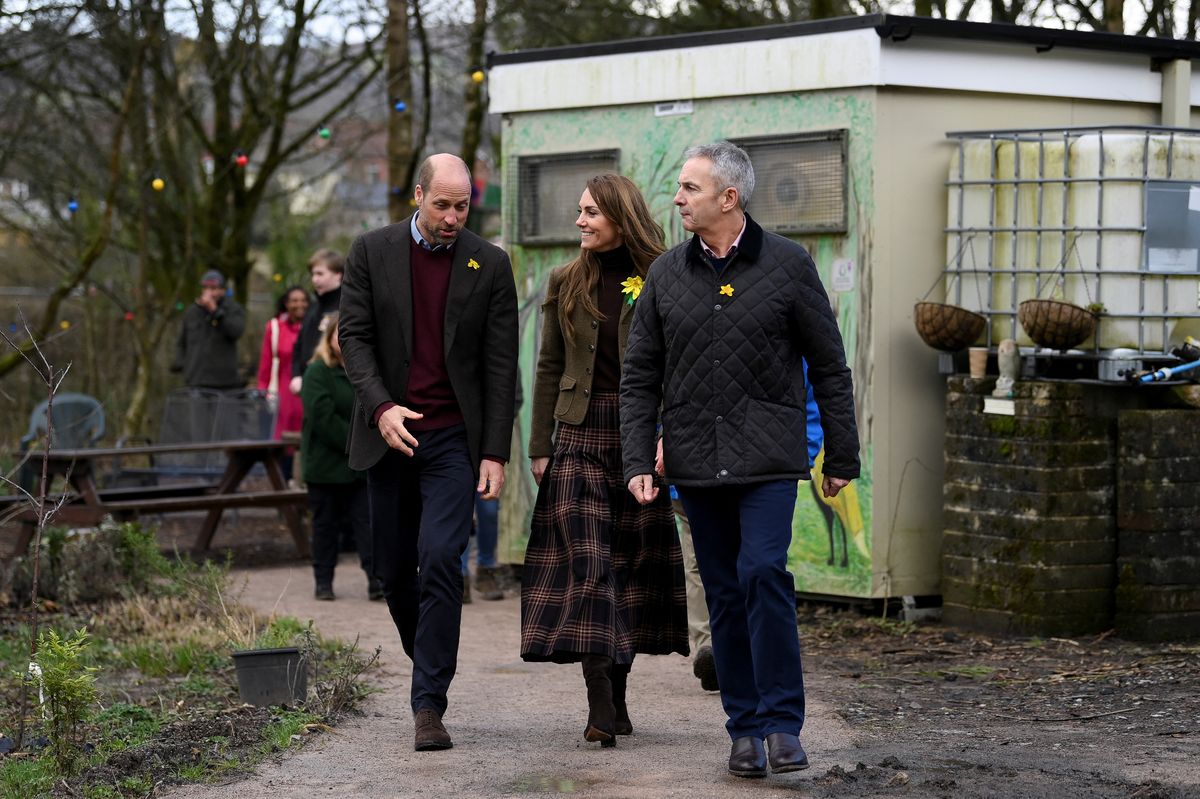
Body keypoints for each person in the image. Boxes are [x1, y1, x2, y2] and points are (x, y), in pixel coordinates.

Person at [621, 142, 860, 778]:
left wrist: (842, 452)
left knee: (762, 574)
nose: (677, 199)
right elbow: (640, 376)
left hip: (769, 458)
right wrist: (639, 458)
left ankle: (784, 723)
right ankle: (744, 729)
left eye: (689, 188)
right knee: (724, 594)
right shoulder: (667, 275)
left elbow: (830, 367)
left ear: (730, 198)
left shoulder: (787, 265)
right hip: (696, 461)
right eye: (679, 188)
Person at [339, 153, 518, 753]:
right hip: (389, 432)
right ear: (417, 195)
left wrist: (495, 453)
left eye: (462, 204)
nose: (452, 216)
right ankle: (432, 658)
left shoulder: (488, 264)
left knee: (442, 556)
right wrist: (381, 406)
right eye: (441, 204)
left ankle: (428, 703)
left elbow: (500, 364)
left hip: (451, 439)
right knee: (392, 571)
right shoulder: (371, 250)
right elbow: (353, 337)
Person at [524, 173, 688, 748]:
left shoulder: (665, 276)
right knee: (589, 567)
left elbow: (681, 365)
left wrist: (670, 435)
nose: (580, 221)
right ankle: (599, 703)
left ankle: (617, 697)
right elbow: (548, 366)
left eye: (591, 212)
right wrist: (540, 445)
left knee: (628, 571)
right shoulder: (565, 280)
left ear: (621, 215)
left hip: (640, 437)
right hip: (576, 435)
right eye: (579, 211)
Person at [665, 362, 824, 694]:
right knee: (705, 558)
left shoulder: (781, 339)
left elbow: (810, 397)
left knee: (743, 562)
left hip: (761, 473)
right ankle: (716, 648)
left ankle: (720, 644)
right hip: (696, 474)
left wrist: (797, 457)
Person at [299, 312, 378, 601]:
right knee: (325, 526)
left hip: (359, 467)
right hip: (326, 466)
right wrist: (357, 442)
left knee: (367, 525)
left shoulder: (368, 373)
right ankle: (323, 581)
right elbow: (322, 417)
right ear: (330, 337)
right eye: (339, 334)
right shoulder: (317, 372)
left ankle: (376, 581)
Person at [256, 285, 309, 480]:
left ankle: (304, 483)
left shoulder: (313, 327)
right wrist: (263, 390)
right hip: (283, 391)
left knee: (306, 435)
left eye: (303, 300)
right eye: (294, 300)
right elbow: (266, 361)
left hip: (307, 389)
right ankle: (283, 483)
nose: (299, 304)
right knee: (282, 438)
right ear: (286, 304)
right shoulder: (275, 327)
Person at [171, 270, 247, 390]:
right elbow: (182, 341)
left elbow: (236, 331)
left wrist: (215, 311)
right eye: (206, 288)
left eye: (214, 288)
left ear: (223, 290)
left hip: (223, 382)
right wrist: (182, 365)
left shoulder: (233, 309)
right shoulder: (193, 311)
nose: (209, 292)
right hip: (196, 379)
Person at [288, 248, 345, 397]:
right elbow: (299, 345)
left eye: (320, 274)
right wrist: (296, 375)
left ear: (338, 275)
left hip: (334, 388)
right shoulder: (313, 308)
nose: (314, 279)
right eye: (313, 274)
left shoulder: (346, 307)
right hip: (308, 385)